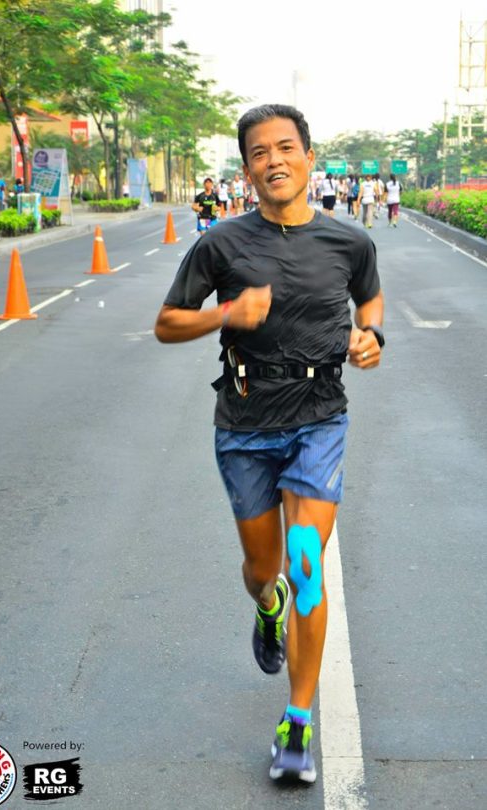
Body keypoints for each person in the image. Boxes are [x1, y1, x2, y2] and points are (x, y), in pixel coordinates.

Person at [154, 103, 384, 784]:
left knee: (306, 563)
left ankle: (297, 721)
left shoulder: (349, 242)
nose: (274, 160)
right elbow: (167, 323)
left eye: (286, 147)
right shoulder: (221, 244)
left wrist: (372, 337)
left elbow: (369, 300)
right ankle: (267, 605)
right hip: (245, 426)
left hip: (320, 417)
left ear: (310, 157)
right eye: (259, 152)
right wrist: (227, 313)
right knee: (265, 570)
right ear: (247, 169)